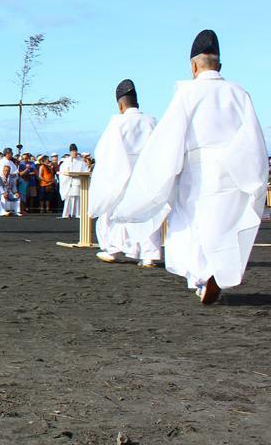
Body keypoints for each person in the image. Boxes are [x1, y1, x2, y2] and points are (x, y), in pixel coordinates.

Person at [113, 30, 267, 304]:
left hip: (198, 170)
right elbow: (252, 138)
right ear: (219, 65)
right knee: (226, 224)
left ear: (194, 66)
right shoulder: (239, 92)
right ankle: (217, 273)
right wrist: (253, 174)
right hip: (233, 168)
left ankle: (200, 277)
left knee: (193, 222)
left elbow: (169, 138)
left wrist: (162, 172)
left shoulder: (188, 92)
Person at [90, 79, 164, 267]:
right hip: (147, 173)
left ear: (120, 105)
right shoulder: (151, 121)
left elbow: (105, 151)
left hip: (122, 172)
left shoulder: (117, 122)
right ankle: (150, 254)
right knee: (149, 211)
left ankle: (112, 249)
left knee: (115, 211)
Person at [59, 144, 89, 218]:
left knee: (78, 198)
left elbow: (85, 170)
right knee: (69, 197)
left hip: (78, 181)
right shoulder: (66, 161)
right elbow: (62, 172)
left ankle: (78, 213)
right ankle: (67, 213)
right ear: (70, 152)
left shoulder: (81, 161)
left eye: (75, 151)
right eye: (73, 151)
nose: (74, 153)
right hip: (69, 182)